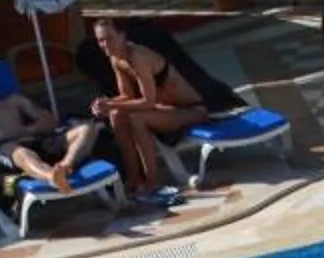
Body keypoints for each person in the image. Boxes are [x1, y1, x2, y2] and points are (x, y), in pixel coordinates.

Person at [88, 18, 238, 205]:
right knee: (116, 115)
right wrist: (106, 103)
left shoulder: (138, 57)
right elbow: (127, 95)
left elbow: (148, 101)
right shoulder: (116, 59)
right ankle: (134, 178)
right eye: (100, 40)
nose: (105, 45)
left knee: (137, 119)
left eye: (109, 38)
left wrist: (112, 105)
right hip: (165, 109)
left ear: (122, 36)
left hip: (191, 110)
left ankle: (153, 182)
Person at [0, 56, 102, 194]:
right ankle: (51, 177)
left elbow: (50, 120)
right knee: (18, 151)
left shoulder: (14, 101)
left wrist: (26, 130)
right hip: (6, 151)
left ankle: (65, 167)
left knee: (87, 128)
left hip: (38, 140)